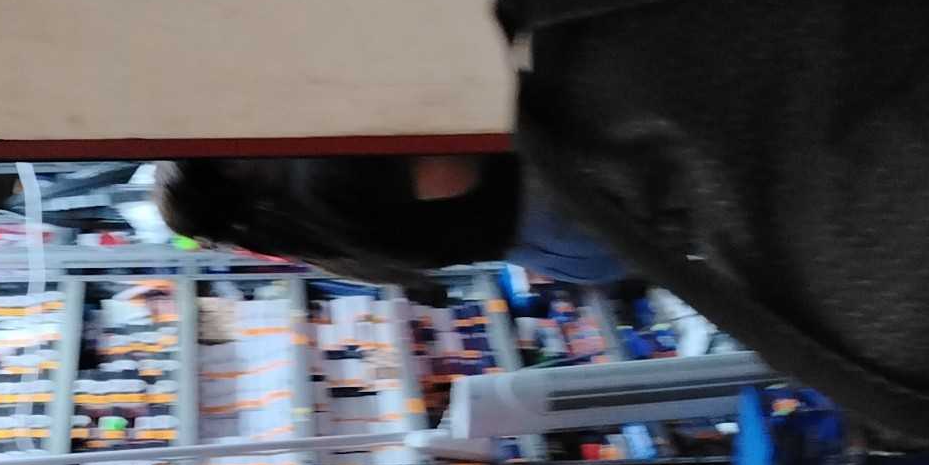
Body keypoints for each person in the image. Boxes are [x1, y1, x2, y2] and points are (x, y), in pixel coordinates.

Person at [152, 153, 628, 290]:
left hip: (551, 246)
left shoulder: (294, 227)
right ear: (225, 167)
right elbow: (456, 173)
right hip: (557, 203)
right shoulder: (317, 176)